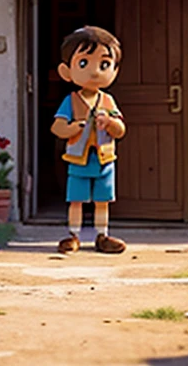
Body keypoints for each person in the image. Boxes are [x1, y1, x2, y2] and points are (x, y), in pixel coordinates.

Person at [51, 25, 126, 254]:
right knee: (77, 199)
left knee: (102, 200)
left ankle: (102, 235)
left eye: (104, 64)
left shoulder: (108, 101)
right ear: (67, 71)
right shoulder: (71, 101)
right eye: (84, 63)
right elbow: (57, 127)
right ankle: (74, 235)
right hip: (78, 159)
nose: (95, 72)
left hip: (104, 159)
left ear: (114, 70)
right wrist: (74, 127)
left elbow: (121, 129)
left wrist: (111, 123)